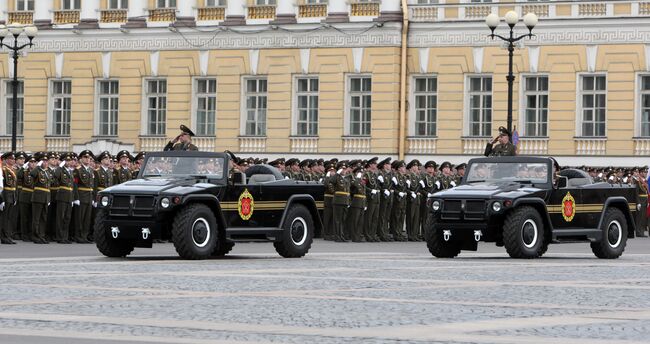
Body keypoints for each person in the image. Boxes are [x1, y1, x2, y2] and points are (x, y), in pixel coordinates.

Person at [73, 150, 95, 243]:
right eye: (85, 157)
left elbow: (93, 185)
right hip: (81, 196)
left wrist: (93, 198)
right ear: (81, 159)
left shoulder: (90, 170)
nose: (87, 159)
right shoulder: (77, 170)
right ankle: (78, 236)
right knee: (80, 218)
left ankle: (84, 236)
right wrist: (76, 198)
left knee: (87, 218)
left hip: (89, 196)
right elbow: (75, 185)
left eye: (89, 158)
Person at [54, 153, 76, 244]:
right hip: (62, 196)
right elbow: (55, 176)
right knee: (60, 217)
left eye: (69, 160)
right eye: (66, 160)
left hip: (69, 197)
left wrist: (72, 199)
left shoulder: (70, 171)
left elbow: (72, 186)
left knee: (67, 218)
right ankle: (59, 237)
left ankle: (65, 237)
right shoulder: (60, 170)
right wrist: (59, 166)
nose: (68, 162)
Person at [31, 153, 51, 244]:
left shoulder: (47, 172)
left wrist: (49, 198)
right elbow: (32, 174)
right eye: (44, 161)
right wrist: (37, 167)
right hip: (38, 197)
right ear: (40, 162)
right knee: (36, 218)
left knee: (43, 218)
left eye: (47, 161)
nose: (46, 163)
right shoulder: (37, 170)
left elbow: (49, 185)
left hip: (46, 197)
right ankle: (35, 236)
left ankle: (41, 235)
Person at [1, 152, 17, 244]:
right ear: (6, 160)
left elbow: (15, 186)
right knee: (5, 217)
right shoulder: (3, 170)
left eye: (13, 159)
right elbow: (1, 186)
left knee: (9, 217)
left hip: (12, 195)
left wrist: (15, 197)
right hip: (6, 195)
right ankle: (4, 237)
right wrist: (2, 199)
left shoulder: (13, 170)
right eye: (11, 159)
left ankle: (8, 236)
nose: (13, 160)